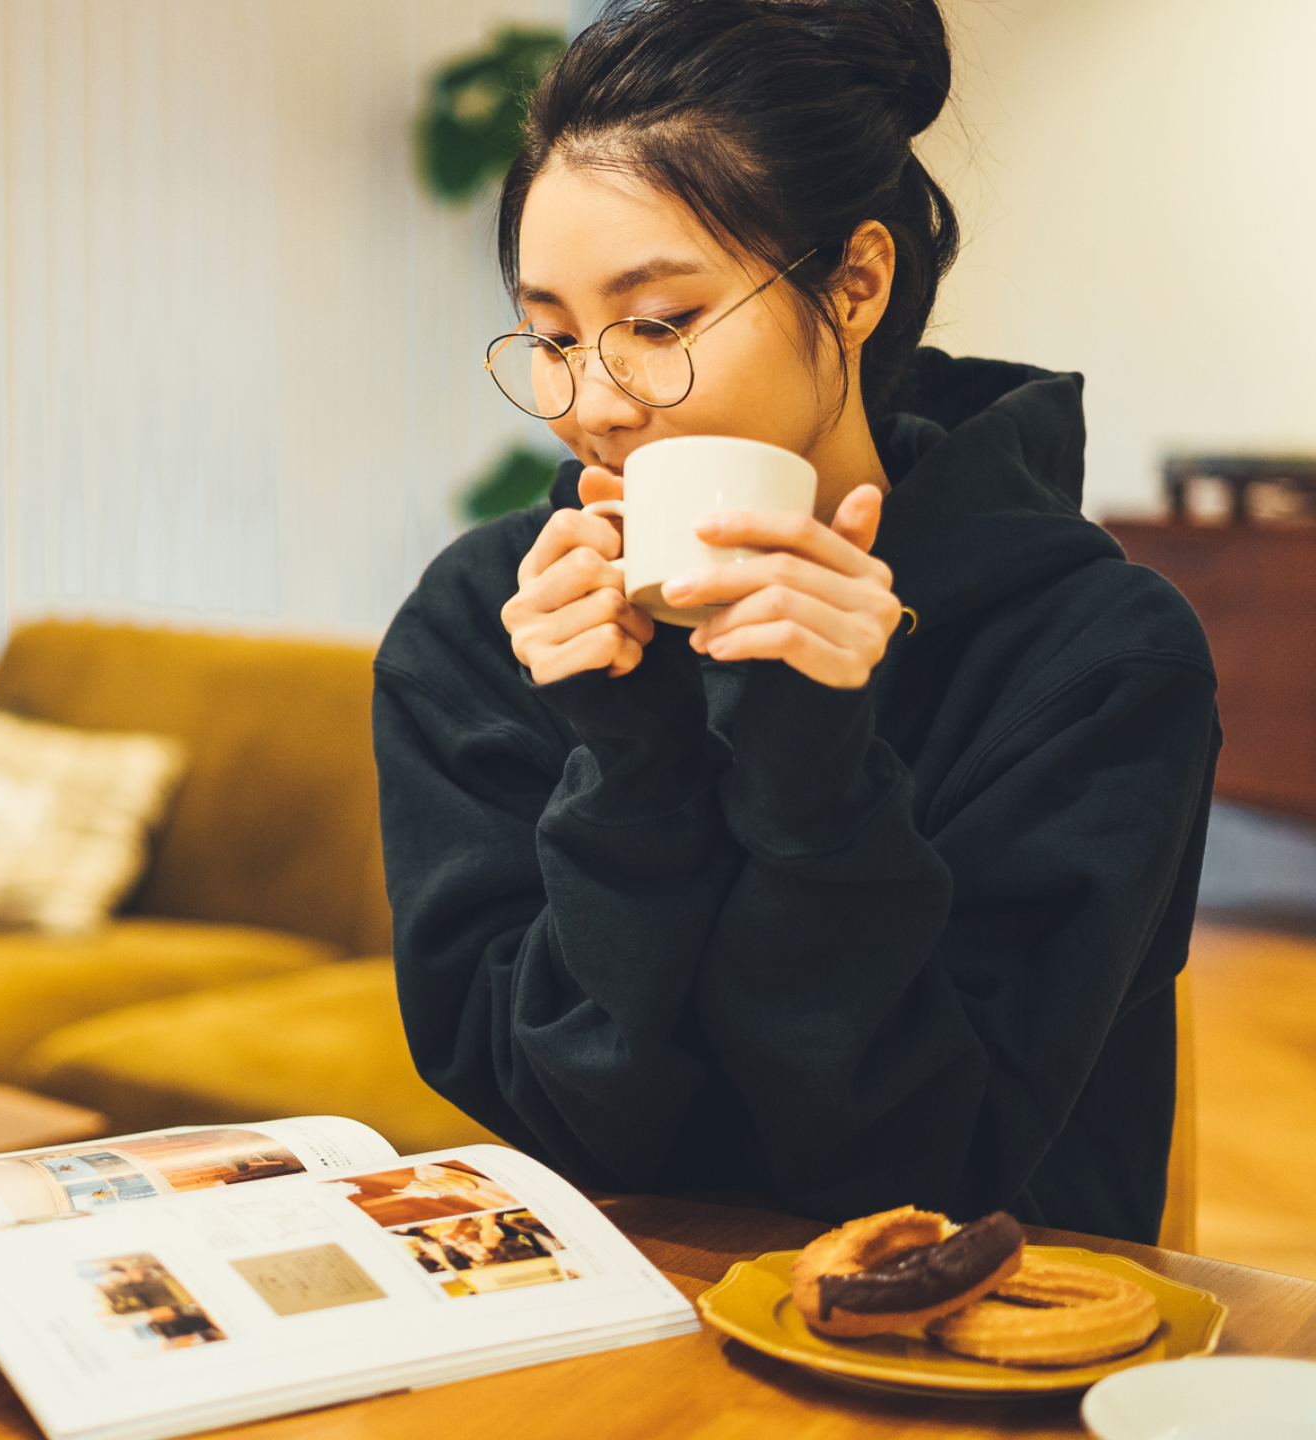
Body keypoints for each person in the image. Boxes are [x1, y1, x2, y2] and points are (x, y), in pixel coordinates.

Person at [372, 0, 1218, 1245]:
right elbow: (565, 1128)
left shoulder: (1093, 654)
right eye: (552, 336)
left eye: (659, 323)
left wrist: (815, 778)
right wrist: (628, 761)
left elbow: (932, 1168)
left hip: (968, 1344)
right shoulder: (484, 624)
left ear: (857, 279)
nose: (593, 403)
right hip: (623, 1330)